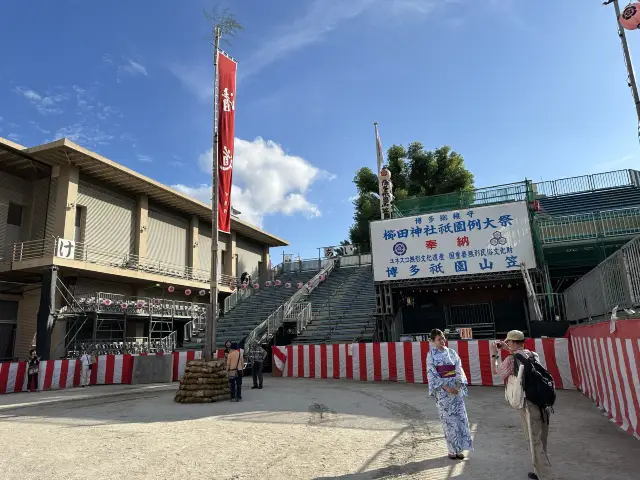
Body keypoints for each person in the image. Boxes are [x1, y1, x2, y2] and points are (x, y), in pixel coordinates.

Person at [491, 330, 554, 480]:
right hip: (542, 401)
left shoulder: (511, 360)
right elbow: (520, 355)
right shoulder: (533, 354)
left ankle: (546, 476)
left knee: (534, 440)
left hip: (528, 404)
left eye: (509, 342)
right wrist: (509, 348)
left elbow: (496, 372)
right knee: (540, 437)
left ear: (512, 343)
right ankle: (539, 471)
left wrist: (494, 354)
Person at [426, 329, 473, 460]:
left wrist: (458, 385)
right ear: (432, 341)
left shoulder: (452, 352)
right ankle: (452, 450)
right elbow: (432, 373)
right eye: (438, 339)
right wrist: (446, 387)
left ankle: (460, 449)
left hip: (456, 390)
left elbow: (459, 369)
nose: (442, 341)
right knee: (448, 421)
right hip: (443, 392)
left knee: (460, 419)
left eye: (443, 338)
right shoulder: (431, 355)